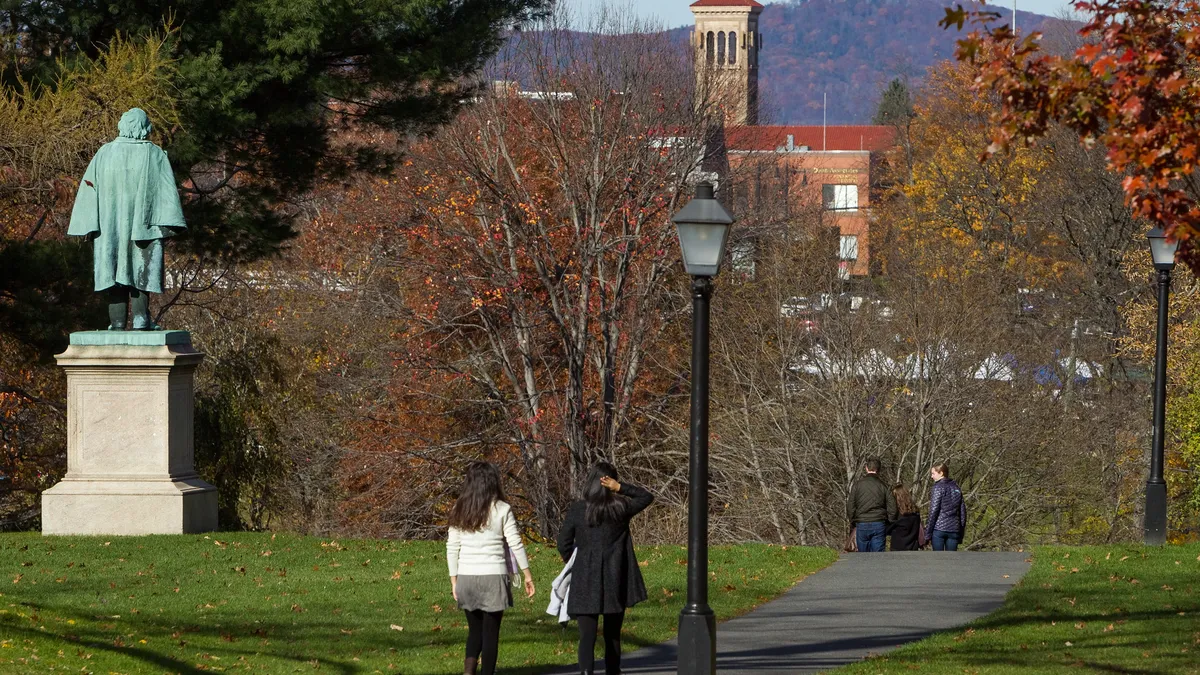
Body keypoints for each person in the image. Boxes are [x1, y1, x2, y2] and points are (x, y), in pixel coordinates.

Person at [556, 462, 654, 675]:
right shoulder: (621, 508)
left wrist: (573, 560)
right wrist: (620, 488)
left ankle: (586, 672)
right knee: (612, 635)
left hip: (585, 576)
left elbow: (563, 542)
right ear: (610, 483)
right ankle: (613, 671)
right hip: (614, 575)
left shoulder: (578, 509)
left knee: (587, 636)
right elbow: (646, 497)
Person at [446, 462, 535, 675]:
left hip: (467, 576)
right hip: (494, 577)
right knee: (491, 634)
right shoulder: (502, 509)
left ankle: (469, 671)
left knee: (474, 631)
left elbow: (452, 546)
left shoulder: (459, 508)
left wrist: (454, 580)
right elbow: (515, 543)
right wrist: (527, 575)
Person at [847, 457, 898, 552]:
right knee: (878, 557)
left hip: (862, 523)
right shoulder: (884, 485)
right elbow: (892, 507)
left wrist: (853, 521)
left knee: (863, 556)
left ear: (866, 468)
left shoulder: (857, 485)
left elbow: (851, 506)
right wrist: (890, 521)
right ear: (879, 469)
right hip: (879, 522)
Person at [927, 463, 967, 551]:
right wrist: (961, 532)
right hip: (954, 529)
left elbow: (934, 510)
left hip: (939, 528)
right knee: (952, 560)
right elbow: (963, 513)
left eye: (933, 473)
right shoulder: (956, 488)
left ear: (941, 473)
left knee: (938, 560)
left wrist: (928, 532)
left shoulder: (937, 487)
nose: (931, 476)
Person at [886, 483, 923, 551]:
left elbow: (889, 530)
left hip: (897, 547)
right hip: (912, 546)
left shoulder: (897, 514)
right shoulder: (915, 512)